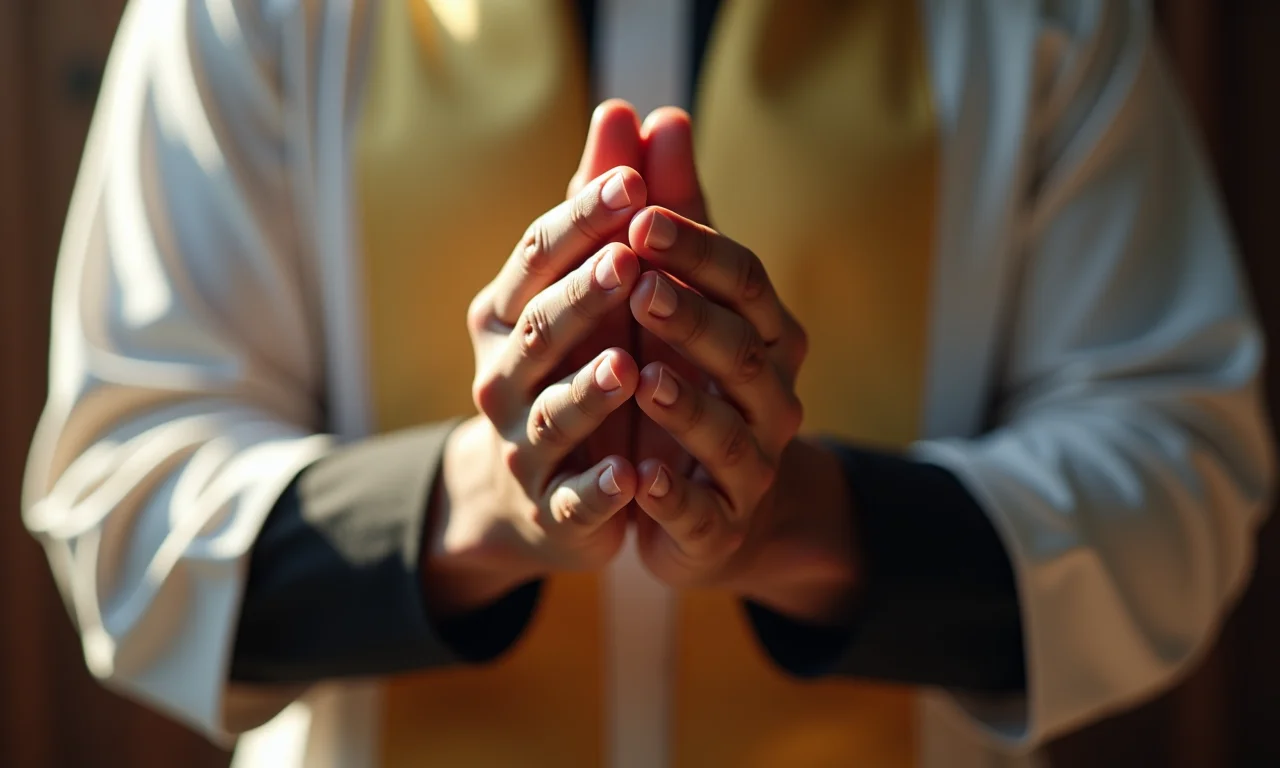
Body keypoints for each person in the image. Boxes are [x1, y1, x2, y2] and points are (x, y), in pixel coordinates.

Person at [22, 0, 1273, 766]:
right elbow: (125, 495)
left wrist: (800, 523)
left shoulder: (1041, 15)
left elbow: (1176, 473)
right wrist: (478, 503)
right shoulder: (253, 11)